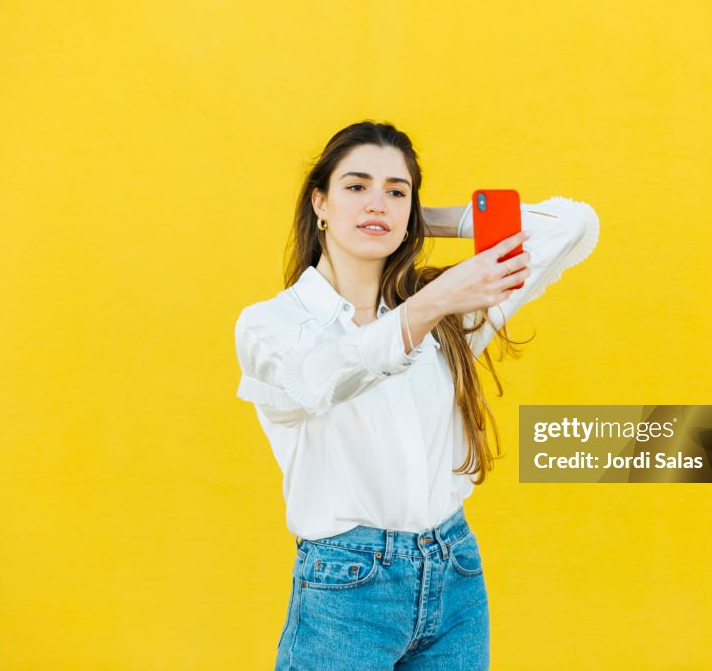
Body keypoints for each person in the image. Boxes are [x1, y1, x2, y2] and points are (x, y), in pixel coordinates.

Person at [234, 120, 600, 670]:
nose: (376, 202)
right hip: (347, 590)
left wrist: (417, 222)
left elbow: (575, 225)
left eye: (395, 190)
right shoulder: (272, 324)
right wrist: (428, 303)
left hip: (454, 575)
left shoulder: (448, 309)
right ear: (320, 202)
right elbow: (319, 382)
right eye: (355, 187)